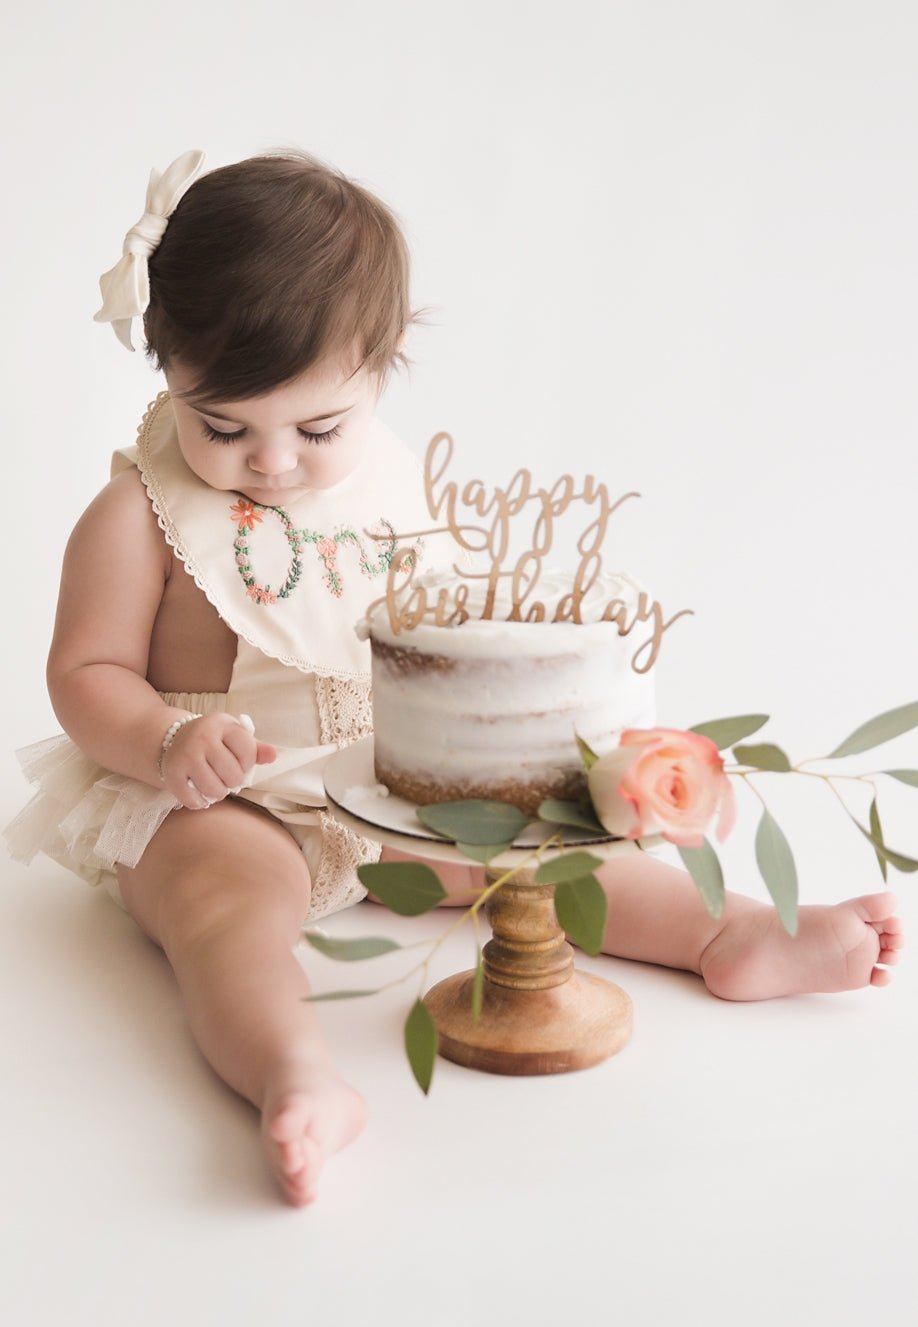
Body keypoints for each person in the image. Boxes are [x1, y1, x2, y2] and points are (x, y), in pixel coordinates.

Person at [5, 150, 903, 1209]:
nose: (274, 463)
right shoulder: (135, 517)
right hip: (220, 797)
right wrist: (162, 739)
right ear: (166, 374)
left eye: (317, 428)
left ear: (380, 369)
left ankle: (727, 931)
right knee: (222, 918)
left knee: (527, 859)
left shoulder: (388, 480)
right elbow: (85, 670)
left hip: (378, 782)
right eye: (224, 427)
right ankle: (292, 1069)